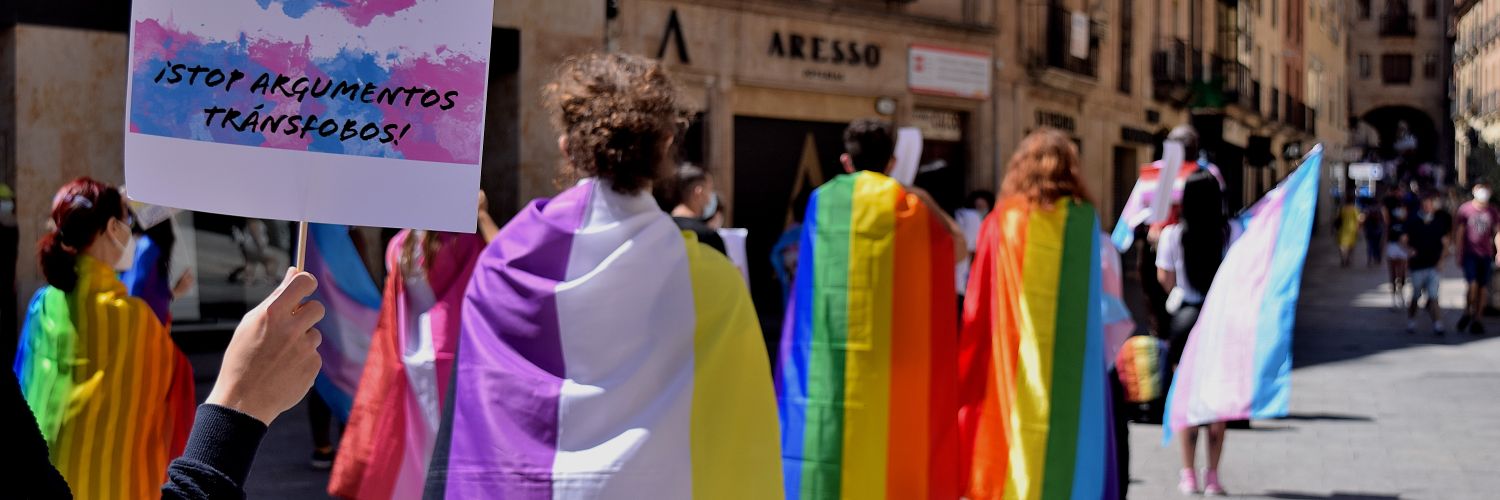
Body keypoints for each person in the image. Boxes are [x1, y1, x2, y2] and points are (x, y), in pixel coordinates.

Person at [423, 53, 781, 498]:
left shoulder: (503, 266)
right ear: (667, 143)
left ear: (567, 147)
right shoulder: (715, 282)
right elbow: (738, 433)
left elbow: (470, 420)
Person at [777, 117, 964, 500]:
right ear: (892, 162)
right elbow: (957, 249)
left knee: (837, 444)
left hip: (832, 358)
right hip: (896, 359)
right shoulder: (910, 205)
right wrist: (920, 196)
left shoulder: (822, 200)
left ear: (847, 161)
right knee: (890, 449)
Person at [11, 178, 196, 498]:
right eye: (125, 219)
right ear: (113, 228)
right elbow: (175, 396)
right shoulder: (135, 319)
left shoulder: (42, 305)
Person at [960, 129, 1116, 499]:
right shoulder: (1085, 221)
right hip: (1073, 362)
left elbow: (979, 295)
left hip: (1013, 359)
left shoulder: (1003, 220)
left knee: (1016, 433)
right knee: (1070, 438)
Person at [329, 228, 486, 499]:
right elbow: (475, 289)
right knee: (445, 440)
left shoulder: (399, 243)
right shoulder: (463, 242)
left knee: (411, 438)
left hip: (406, 348)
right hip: (445, 350)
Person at [1156, 170, 1233, 495]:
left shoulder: (1173, 235)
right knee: (1217, 401)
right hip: (1220, 319)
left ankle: (1188, 474)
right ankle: (1212, 475)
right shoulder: (1232, 232)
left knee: (1186, 396)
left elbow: (1164, 278)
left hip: (1185, 321)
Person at [122, 219, 195, 325]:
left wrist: (173, 293)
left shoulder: (141, 247)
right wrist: (173, 293)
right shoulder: (148, 249)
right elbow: (142, 299)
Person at [1455, 182, 1500, 335]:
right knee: (1472, 285)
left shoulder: (1492, 211)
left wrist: (1499, 251)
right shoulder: (1465, 209)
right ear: (1475, 190)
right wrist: (1458, 252)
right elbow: (1459, 233)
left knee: (1482, 288)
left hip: (1485, 254)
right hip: (1470, 254)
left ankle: (1478, 318)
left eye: (1486, 189)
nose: (1484, 192)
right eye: (1481, 188)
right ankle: (1468, 311)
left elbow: (1497, 233)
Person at [1405, 191, 1453, 335]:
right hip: (1417, 265)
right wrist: (1409, 250)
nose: (1427, 208)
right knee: (1415, 296)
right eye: (1425, 205)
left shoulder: (1439, 222)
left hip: (1433, 265)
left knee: (1433, 297)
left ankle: (1438, 324)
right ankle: (1411, 320)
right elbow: (1403, 239)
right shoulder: (1413, 221)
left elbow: (1445, 244)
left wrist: (1441, 261)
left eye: (1430, 205)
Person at [660, 162, 727, 254]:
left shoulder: (659, 229)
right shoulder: (707, 237)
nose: (710, 199)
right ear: (698, 193)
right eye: (710, 190)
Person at [1384, 188, 1412, 310]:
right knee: (1393, 273)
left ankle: (1401, 294)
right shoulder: (1390, 214)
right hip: (1392, 245)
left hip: (1403, 247)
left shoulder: (1408, 222)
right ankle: (1394, 298)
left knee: (1403, 273)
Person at [1361, 197, 1385, 267]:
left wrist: (1364, 228)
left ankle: (1369, 259)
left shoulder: (1367, 209)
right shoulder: (1380, 209)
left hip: (1369, 230)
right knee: (1377, 245)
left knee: (1370, 245)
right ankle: (1378, 259)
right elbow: (1383, 220)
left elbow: (1363, 220)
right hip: (1378, 230)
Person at [1338, 194, 1361, 267]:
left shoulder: (1342, 209)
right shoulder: (1355, 209)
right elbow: (1358, 220)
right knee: (1351, 245)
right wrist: (1358, 230)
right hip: (1352, 229)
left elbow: (1338, 218)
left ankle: (1343, 259)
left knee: (1342, 245)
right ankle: (1348, 259)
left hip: (1343, 229)